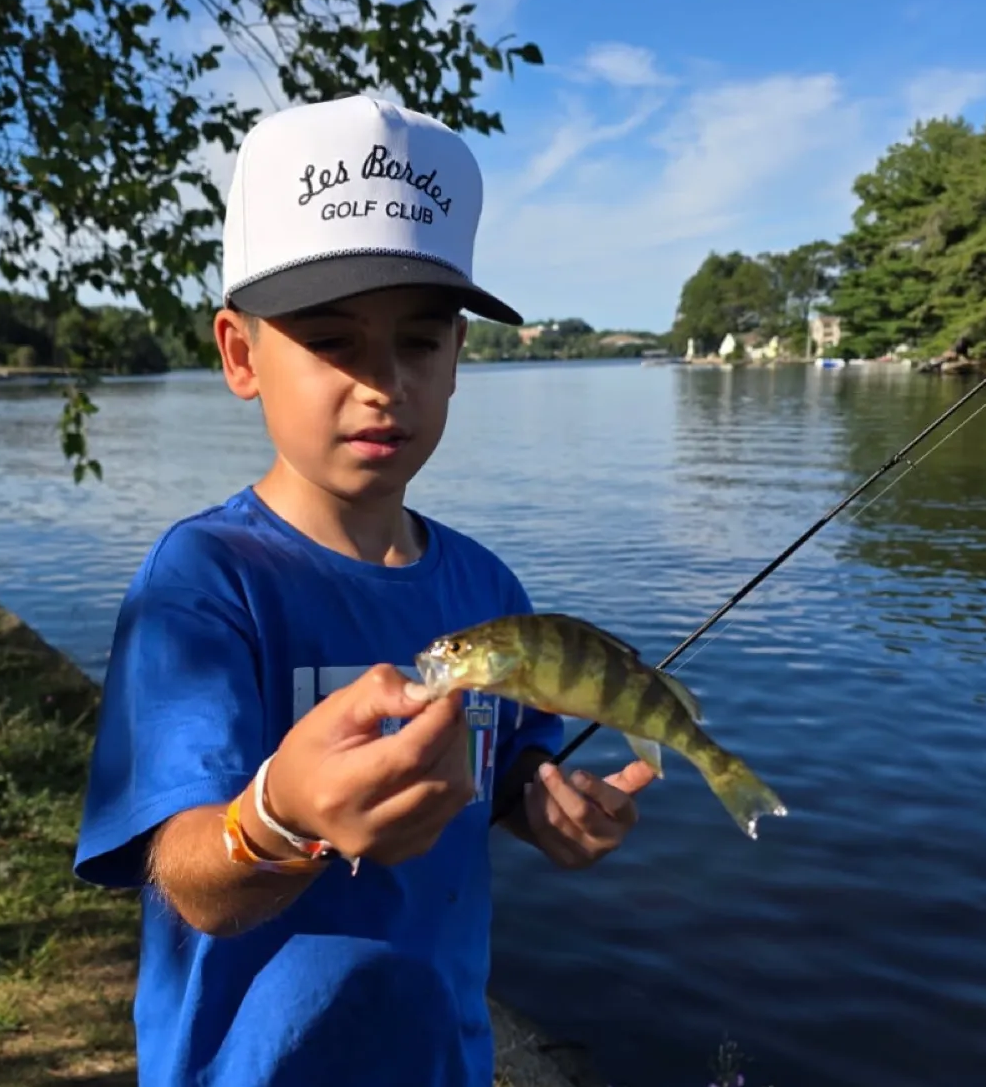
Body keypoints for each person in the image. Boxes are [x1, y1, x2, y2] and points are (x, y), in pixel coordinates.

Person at [74, 95, 656, 1087]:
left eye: (421, 341)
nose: (383, 380)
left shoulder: (485, 585)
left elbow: (506, 767)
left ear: (459, 359)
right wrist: (278, 815)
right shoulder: (206, 584)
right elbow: (188, 878)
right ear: (241, 354)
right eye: (333, 340)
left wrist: (543, 803)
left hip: (440, 1061)